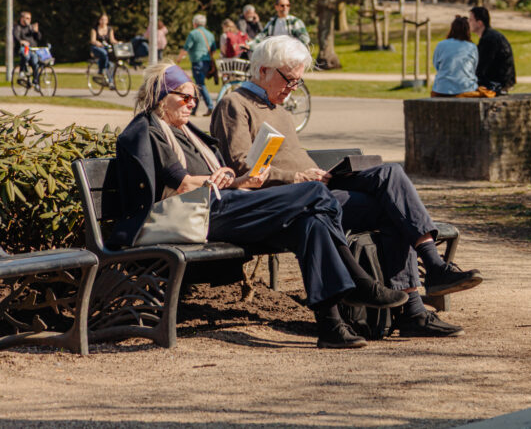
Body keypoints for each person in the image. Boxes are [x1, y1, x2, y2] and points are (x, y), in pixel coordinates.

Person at [112, 62, 409, 348]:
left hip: (223, 205)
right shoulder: (149, 130)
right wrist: (220, 179)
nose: (193, 103)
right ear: (162, 96)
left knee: (311, 224)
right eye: (185, 97)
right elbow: (183, 184)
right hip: (200, 216)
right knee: (316, 194)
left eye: (195, 97)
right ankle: (359, 282)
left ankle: (330, 325)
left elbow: (213, 182)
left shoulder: (186, 132)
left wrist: (242, 181)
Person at [210, 36, 483, 337]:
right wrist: (298, 178)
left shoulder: (281, 111)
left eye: (298, 82)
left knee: (391, 177)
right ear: (262, 70)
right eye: (289, 80)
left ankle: (428, 278)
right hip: (285, 201)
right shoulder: (234, 104)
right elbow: (240, 168)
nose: (292, 89)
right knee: (389, 208)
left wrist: (321, 174)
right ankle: (416, 304)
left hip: (318, 188)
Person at [431, 16, 493, 98]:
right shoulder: (472, 47)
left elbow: (437, 65)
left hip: (441, 89)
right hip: (466, 87)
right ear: (467, 30)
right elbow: (474, 67)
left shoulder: (441, 45)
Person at [469, 6, 516, 94]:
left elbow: (481, 66)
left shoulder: (489, 39)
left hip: (497, 83)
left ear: (479, 23)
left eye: (471, 20)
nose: (468, 22)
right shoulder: (490, 36)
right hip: (500, 80)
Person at [176, 14, 217, 117]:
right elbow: (214, 50)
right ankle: (194, 109)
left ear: (195, 23)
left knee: (200, 85)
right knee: (198, 86)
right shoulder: (210, 34)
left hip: (197, 62)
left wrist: (179, 58)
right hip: (207, 62)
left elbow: (186, 47)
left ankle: (210, 106)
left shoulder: (193, 33)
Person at [13, 11, 43, 87]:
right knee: (26, 56)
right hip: (24, 48)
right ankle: (22, 72)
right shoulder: (18, 27)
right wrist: (21, 41)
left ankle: (36, 82)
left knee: (35, 63)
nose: (28, 20)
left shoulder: (30, 27)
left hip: (32, 49)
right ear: (22, 18)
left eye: (29, 18)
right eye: (27, 18)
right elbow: (16, 37)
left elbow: (38, 38)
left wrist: (36, 31)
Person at [89, 14, 118, 85]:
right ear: (99, 20)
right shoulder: (94, 29)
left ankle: (110, 81)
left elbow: (112, 40)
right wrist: (97, 43)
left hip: (106, 47)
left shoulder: (109, 29)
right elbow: (92, 40)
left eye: (105, 19)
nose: (103, 21)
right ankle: (101, 70)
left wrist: (118, 42)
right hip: (96, 48)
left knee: (111, 64)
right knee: (104, 53)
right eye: (102, 19)